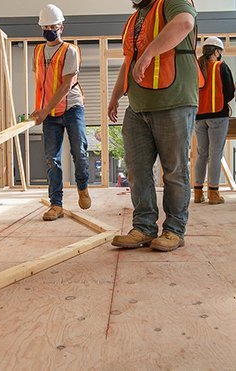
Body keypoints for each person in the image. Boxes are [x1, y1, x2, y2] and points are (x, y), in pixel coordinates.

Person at [109, 0, 203, 251]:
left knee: (174, 170)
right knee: (137, 170)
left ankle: (174, 229)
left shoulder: (172, 1)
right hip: (138, 106)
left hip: (173, 100)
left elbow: (185, 22)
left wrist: (150, 52)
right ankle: (144, 227)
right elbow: (131, 59)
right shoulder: (137, 16)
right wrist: (116, 95)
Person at [30, 4, 92, 221]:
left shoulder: (70, 51)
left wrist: (45, 110)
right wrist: (39, 109)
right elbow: (40, 83)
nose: (49, 29)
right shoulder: (37, 51)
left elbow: (65, 85)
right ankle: (56, 205)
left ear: (61, 27)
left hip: (72, 107)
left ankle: (82, 186)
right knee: (51, 159)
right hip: (49, 112)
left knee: (80, 152)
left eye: (53, 26)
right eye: (45, 26)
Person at [193, 36, 235, 205]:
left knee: (201, 154)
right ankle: (213, 193)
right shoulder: (221, 66)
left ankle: (197, 193)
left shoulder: (196, 67)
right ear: (217, 51)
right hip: (218, 115)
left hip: (199, 117)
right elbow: (230, 92)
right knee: (215, 154)